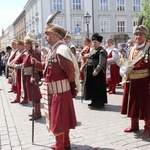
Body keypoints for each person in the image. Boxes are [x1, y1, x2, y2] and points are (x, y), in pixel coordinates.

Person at [31, 18, 80, 149]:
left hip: (60, 91)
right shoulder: (53, 50)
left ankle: (60, 146)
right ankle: (65, 143)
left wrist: (68, 88)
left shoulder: (61, 50)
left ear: (57, 36)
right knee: (61, 119)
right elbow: (47, 67)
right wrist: (37, 64)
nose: (45, 36)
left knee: (59, 120)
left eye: (48, 33)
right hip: (54, 91)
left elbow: (70, 70)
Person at [121, 24, 150, 139]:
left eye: (141, 34)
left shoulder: (148, 49)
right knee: (132, 103)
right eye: (136, 34)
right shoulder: (132, 48)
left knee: (146, 106)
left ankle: (148, 128)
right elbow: (127, 63)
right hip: (131, 81)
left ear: (145, 35)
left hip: (144, 81)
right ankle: (134, 125)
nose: (138, 37)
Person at [82, 33, 107, 108]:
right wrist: (83, 67)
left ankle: (99, 102)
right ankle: (93, 101)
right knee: (92, 86)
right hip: (90, 70)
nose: (93, 43)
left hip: (97, 72)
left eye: (95, 42)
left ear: (99, 42)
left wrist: (97, 70)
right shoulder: (93, 50)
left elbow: (102, 62)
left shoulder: (102, 51)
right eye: (93, 42)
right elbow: (88, 58)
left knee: (98, 87)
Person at [21, 35, 42, 121]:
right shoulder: (28, 52)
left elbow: (37, 65)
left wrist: (33, 76)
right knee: (31, 95)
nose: (24, 45)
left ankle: (38, 113)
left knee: (35, 95)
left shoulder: (35, 52)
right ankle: (35, 111)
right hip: (27, 76)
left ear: (29, 44)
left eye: (25, 43)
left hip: (32, 76)